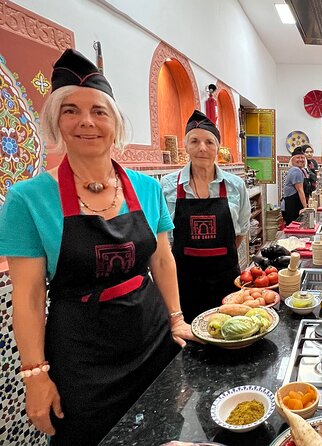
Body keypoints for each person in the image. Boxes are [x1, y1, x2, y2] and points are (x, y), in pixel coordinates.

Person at [0, 49, 196, 445]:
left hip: (151, 336)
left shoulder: (147, 188)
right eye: (71, 110)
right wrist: (35, 374)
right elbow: (30, 294)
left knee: (164, 430)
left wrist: (176, 318)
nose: (86, 121)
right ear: (55, 121)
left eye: (99, 111)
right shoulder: (27, 200)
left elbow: (161, 258)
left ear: (116, 123)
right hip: (82, 353)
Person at [161, 110, 251, 323]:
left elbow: (241, 230)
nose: (202, 148)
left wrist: (220, 253)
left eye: (209, 142)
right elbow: (163, 240)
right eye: (195, 141)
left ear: (218, 148)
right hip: (183, 280)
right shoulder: (167, 186)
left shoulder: (235, 186)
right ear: (186, 146)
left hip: (225, 277)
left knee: (230, 329)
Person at [281, 145, 309, 224]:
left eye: (302, 157)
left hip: (295, 204)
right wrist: (305, 207)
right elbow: (300, 190)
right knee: (293, 232)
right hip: (291, 206)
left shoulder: (302, 170)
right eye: (298, 157)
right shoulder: (295, 171)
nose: (300, 160)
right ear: (292, 160)